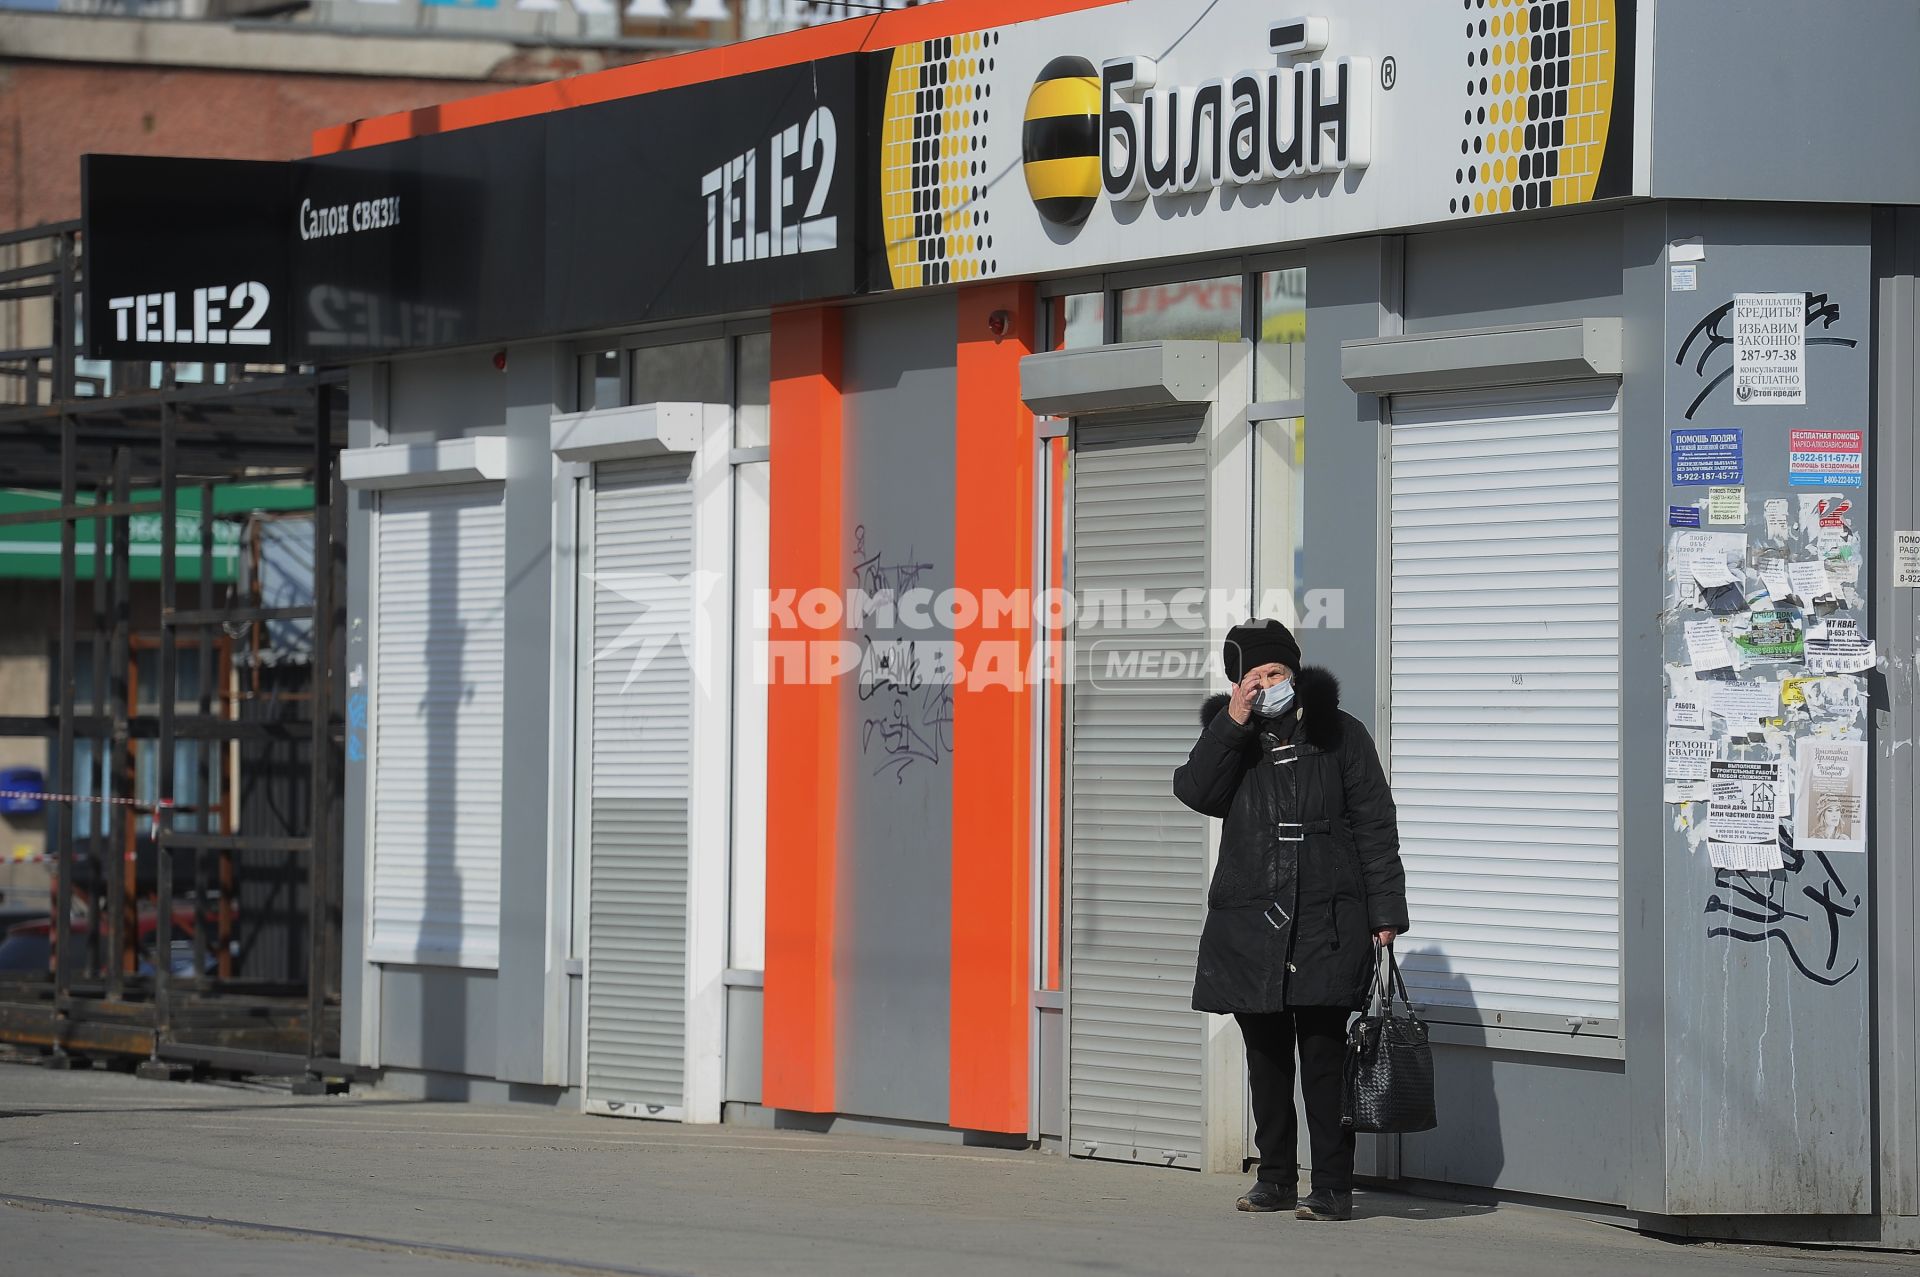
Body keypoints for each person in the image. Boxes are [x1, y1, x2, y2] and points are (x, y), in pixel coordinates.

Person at [1173, 618, 1408, 1222]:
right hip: (1253, 918)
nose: (1265, 684)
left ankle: (1331, 1186)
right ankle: (1275, 1177)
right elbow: (1196, 791)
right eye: (1252, 677)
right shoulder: (1232, 739)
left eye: (1274, 672)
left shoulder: (1341, 734)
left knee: (1325, 1057)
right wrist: (1233, 721)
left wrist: (1385, 914)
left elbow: (1376, 825)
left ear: (1294, 673)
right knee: (1267, 1059)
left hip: (1327, 916)